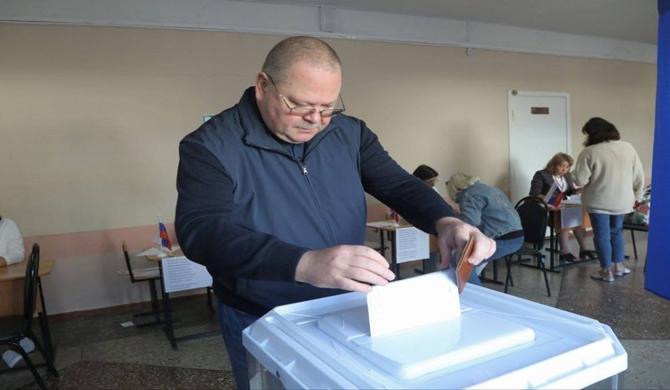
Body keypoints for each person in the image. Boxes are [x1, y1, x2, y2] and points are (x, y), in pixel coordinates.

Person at [175, 36, 495, 389]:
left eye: (328, 108)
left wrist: (445, 220)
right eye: (300, 105)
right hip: (261, 312)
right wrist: (304, 263)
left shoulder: (350, 133)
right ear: (263, 85)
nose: (315, 120)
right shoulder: (211, 145)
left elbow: (399, 186)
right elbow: (202, 231)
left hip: (347, 306)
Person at [572, 117, 645, 282]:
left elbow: (580, 181)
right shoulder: (628, 147)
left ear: (593, 134)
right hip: (623, 201)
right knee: (617, 232)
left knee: (602, 235)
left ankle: (606, 271)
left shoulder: (589, 152)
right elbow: (638, 176)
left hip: (598, 202)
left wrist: (572, 175)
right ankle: (618, 267)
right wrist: (637, 197)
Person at [445, 174, 525, 280]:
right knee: (469, 261)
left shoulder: (469, 195)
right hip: (517, 236)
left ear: (455, 188)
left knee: (461, 262)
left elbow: (470, 223)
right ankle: (472, 286)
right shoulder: (489, 189)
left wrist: (453, 215)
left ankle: (473, 294)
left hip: (502, 238)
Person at [529, 153, 596, 262]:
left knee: (578, 217)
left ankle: (584, 249)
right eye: (562, 166)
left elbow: (569, 192)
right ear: (553, 165)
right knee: (566, 215)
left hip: (565, 206)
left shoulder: (567, 175)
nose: (564, 169)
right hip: (548, 208)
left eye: (567, 167)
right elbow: (534, 194)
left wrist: (579, 190)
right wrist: (550, 200)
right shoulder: (541, 175)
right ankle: (564, 251)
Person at [0, 216, 35, 369]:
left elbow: (18, 253)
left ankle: (15, 337)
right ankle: (6, 347)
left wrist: (3, 260)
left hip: (5, 282)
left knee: (11, 297)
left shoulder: (7, 225)